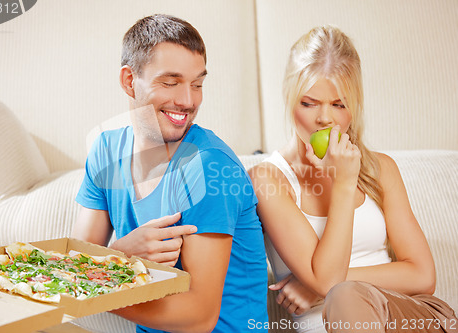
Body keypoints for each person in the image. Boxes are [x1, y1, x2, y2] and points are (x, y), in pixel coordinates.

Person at [248, 25, 457, 333]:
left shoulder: (379, 168)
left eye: (338, 104)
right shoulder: (268, 180)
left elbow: (423, 275)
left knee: (343, 293)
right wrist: (344, 186)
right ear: (290, 98)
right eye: (309, 103)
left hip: (409, 317)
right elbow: (327, 280)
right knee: (342, 294)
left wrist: (319, 286)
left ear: (353, 106)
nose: (324, 119)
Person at [72, 14, 268, 333]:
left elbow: (199, 316)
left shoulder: (209, 166)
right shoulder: (105, 152)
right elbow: (76, 262)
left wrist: (96, 276)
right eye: (170, 82)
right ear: (129, 81)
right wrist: (118, 254)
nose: (188, 100)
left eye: (197, 84)